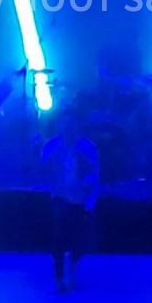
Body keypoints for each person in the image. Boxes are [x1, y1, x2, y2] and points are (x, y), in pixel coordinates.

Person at [41, 114, 100, 292]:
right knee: (59, 239)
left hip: (79, 199)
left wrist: (90, 198)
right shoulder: (52, 146)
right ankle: (59, 278)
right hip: (59, 198)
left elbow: (94, 173)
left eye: (71, 124)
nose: (68, 128)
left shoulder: (87, 147)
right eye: (65, 124)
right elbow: (42, 169)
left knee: (79, 240)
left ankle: (71, 267)